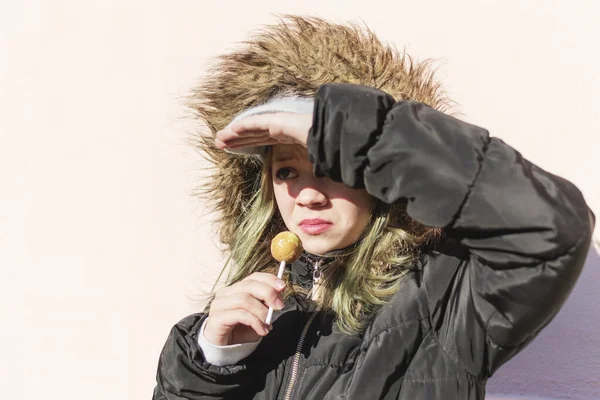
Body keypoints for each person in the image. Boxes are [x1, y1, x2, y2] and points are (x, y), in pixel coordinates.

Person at [152, 16, 595, 400]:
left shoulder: (445, 298)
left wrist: (357, 132)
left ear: (376, 178)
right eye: (287, 173)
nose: (308, 195)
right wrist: (216, 359)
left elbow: (551, 228)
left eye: (333, 167)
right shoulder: (229, 321)